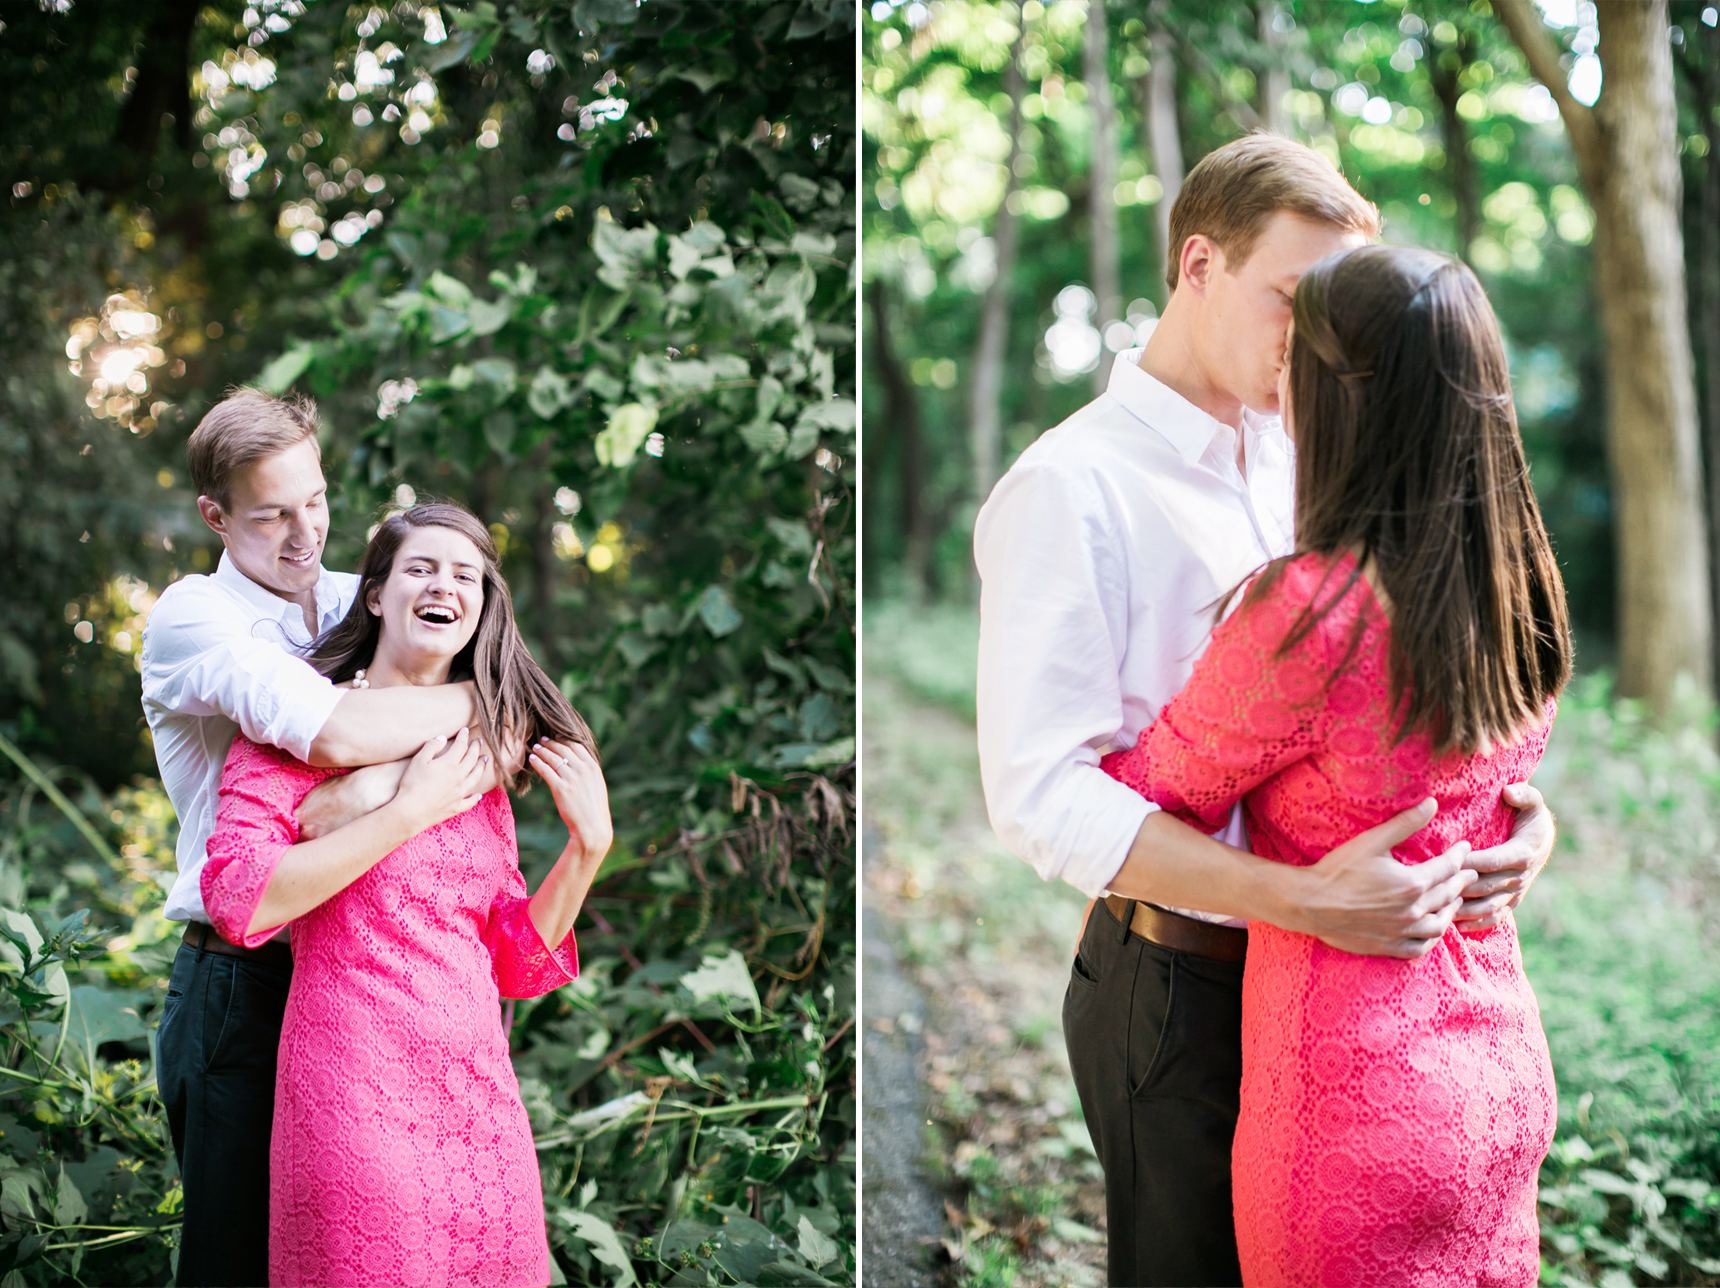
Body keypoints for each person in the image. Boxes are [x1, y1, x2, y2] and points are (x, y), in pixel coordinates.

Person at [972, 134, 1556, 1287]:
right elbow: (1039, 799)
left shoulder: (1316, 441)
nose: (1309, 347)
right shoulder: (1071, 486)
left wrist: (1515, 825)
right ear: (1197, 264)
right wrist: (1297, 900)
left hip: (1363, 1003)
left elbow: (1407, 703)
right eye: (1289, 302)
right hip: (1184, 986)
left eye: (1333, 323)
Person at [1102, 244, 1569, 1287]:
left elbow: (1142, 793)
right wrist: (1536, 829)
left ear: (1334, 398)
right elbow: (1484, 785)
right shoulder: (1514, 579)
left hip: (1357, 1106)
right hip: (1498, 1074)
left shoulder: (1315, 612)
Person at [199, 502, 611, 1287]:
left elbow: (515, 967)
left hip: (480, 1102)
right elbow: (239, 898)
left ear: (482, 610)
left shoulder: (481, 760)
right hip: (356, 1091)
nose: (444, 585)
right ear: (378, 594)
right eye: (421, 567)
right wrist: (406, 810)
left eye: (466, 576)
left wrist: (587, 852)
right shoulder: (297, 731)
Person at [143, 389, 489, 1287]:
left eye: (318, 502)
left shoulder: (354, 599)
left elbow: (517, 720)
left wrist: (380, 785)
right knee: (236, 1263)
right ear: (215, 517)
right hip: (242, 982)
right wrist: (410, 766)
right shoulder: (194, 619)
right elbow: (330, 733)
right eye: (270, 516)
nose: (305, 537)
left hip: (361, 987)